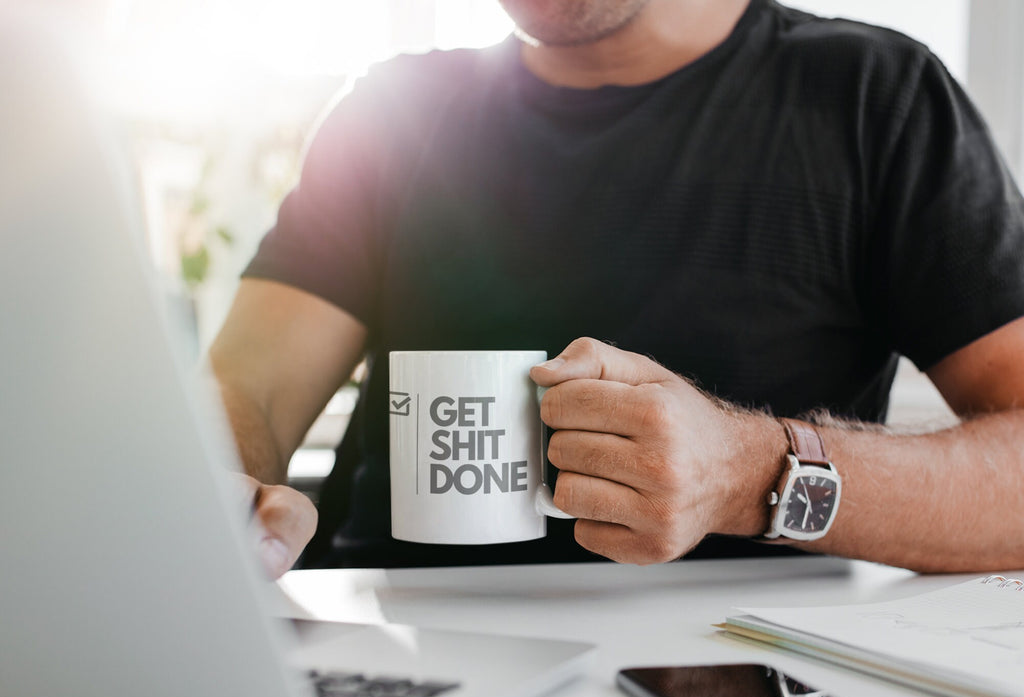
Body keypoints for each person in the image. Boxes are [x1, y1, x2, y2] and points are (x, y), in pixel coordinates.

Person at [209, 0, 1024, 579]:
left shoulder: (874, 99)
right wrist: (223, 490)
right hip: (392, 654)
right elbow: (249, 390)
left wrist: (751, 474)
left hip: (733, 683)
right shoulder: (393, 111)